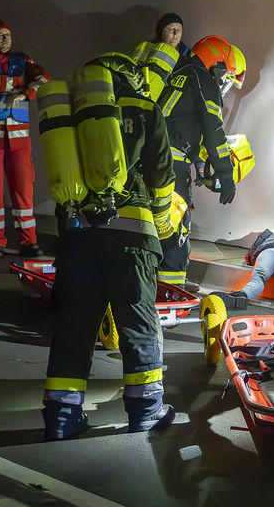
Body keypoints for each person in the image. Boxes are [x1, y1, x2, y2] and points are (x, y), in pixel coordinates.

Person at [41, 46, 178, 440]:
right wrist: (163, 226)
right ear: (131, 75)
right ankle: (146, 412)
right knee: (137, 323)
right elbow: (161, 177)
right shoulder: (145, 107)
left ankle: (62, 417)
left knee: (74, 325)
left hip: (80, 238)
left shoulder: (75, 110)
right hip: (132, 237)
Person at [156, 35, 245, 293]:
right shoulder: (205, 81)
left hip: (151, 158)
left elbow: (180, 122)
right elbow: (213, 131)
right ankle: (172, 289)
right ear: (217, 65)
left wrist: (201, 168)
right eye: (226, 75)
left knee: (154, 223)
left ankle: (152, 284)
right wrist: (226, 174)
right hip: (172, 165)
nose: (224, 82)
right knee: (175, 226)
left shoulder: (178, 73)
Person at [0, 18, 50, 258]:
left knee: (24, 191)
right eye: (0, 36)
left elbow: (44, 78)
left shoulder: (22, 60)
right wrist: (19, 83)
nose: (6, 40)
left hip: (19, 140)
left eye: (9, 35)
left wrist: (24, 92)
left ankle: (28, 242)